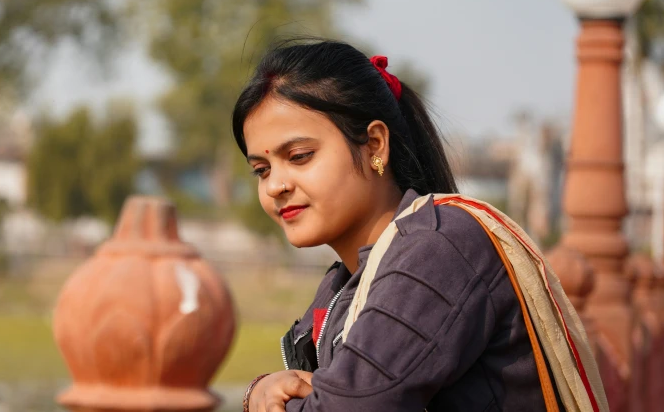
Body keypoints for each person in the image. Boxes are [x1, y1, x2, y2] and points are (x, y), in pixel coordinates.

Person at [231, 40, 606, 412]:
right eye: (262, 171)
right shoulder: (343, 282)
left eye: (299, 156)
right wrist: (263, 389)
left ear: (375, 145)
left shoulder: (437, 247)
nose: (276, 185)